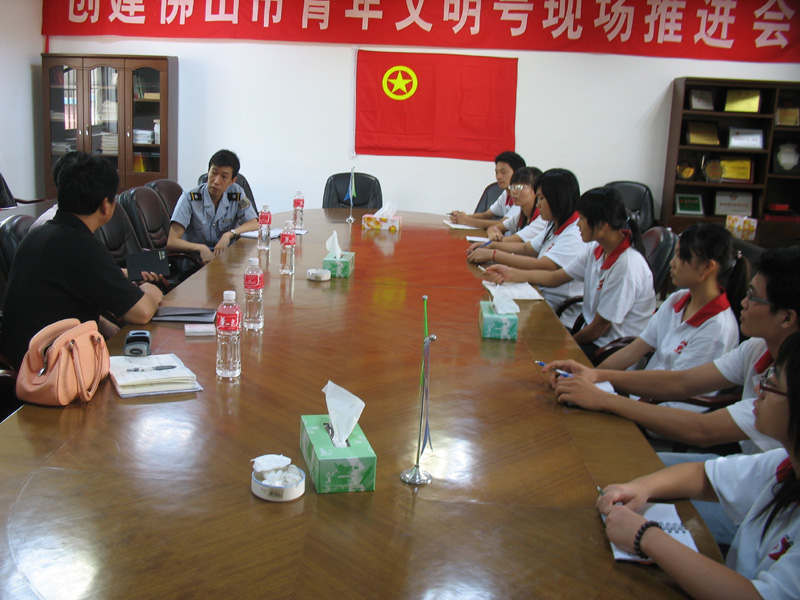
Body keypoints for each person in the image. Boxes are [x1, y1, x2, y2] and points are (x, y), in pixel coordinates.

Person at [597, 331, 800, 599]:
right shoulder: (783, 464)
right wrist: (640, 487)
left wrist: (645, 536)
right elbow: (702, 475)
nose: (758, 391)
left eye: (771, 383)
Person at [545, 247, 800, 457]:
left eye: (753, 296)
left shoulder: (789, 383)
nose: (743, 302)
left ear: (787, 318)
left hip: (767, 481)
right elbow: (681, 382)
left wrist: (604, 399)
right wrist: (596, 376)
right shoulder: (757, 347)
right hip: (748, 465)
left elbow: (703, 431)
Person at [1, 154, 163, 368]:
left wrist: (101, 324)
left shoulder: (39, 235)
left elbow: (59, 301)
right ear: (105, 205)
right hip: (51, 370)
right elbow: (141, 312)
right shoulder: (81, 246)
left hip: (25, 361)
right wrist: (151, 290)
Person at [486, 186, 655, 357]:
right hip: (592, 338)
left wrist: (567, 343)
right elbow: (555, 277)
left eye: (582, 219)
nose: (578, 224)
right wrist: (511, 273)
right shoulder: (597, 250)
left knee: (532, 350)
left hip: (608, 350)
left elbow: (600, 327)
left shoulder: (626, 266)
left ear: (603, 225)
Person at [597, 222, 747, 409]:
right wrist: (592, 375)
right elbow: (633, 350)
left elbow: (673, 389)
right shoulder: (678, 299)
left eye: (680, 256)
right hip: (642, 398)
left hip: (662, 412)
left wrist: (608, 394)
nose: (672, 263)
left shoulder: (717, 328)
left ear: (707, 267)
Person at [467, 168, 585, 327]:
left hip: (557, 310)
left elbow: (545, 265)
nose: (538, 204)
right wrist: (491, 245)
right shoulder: (554, 224)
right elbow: (528, 248)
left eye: (541, 198)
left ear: (557, 198)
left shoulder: (574, 234)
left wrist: (494, 254)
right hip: (537, 292)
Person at [168, 149, 258, 264]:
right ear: (208, 172)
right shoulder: (189, 198)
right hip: (196, 261)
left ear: (232, 180)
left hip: (226, 259)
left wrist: (229, 234)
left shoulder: (236, 193)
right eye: (214, 173)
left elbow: (254, 223)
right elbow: (171, 241)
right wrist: (200, 248)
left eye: (224, 177)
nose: (216, 181)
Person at [448, 151, 526, 230]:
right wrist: (460, 217)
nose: (498, 177)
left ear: (517, 173)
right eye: (496, 172)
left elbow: (503, 224)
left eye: (503, 172)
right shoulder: (506, 193)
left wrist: (466, 220)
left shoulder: (522, 196)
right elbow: (487, 215)